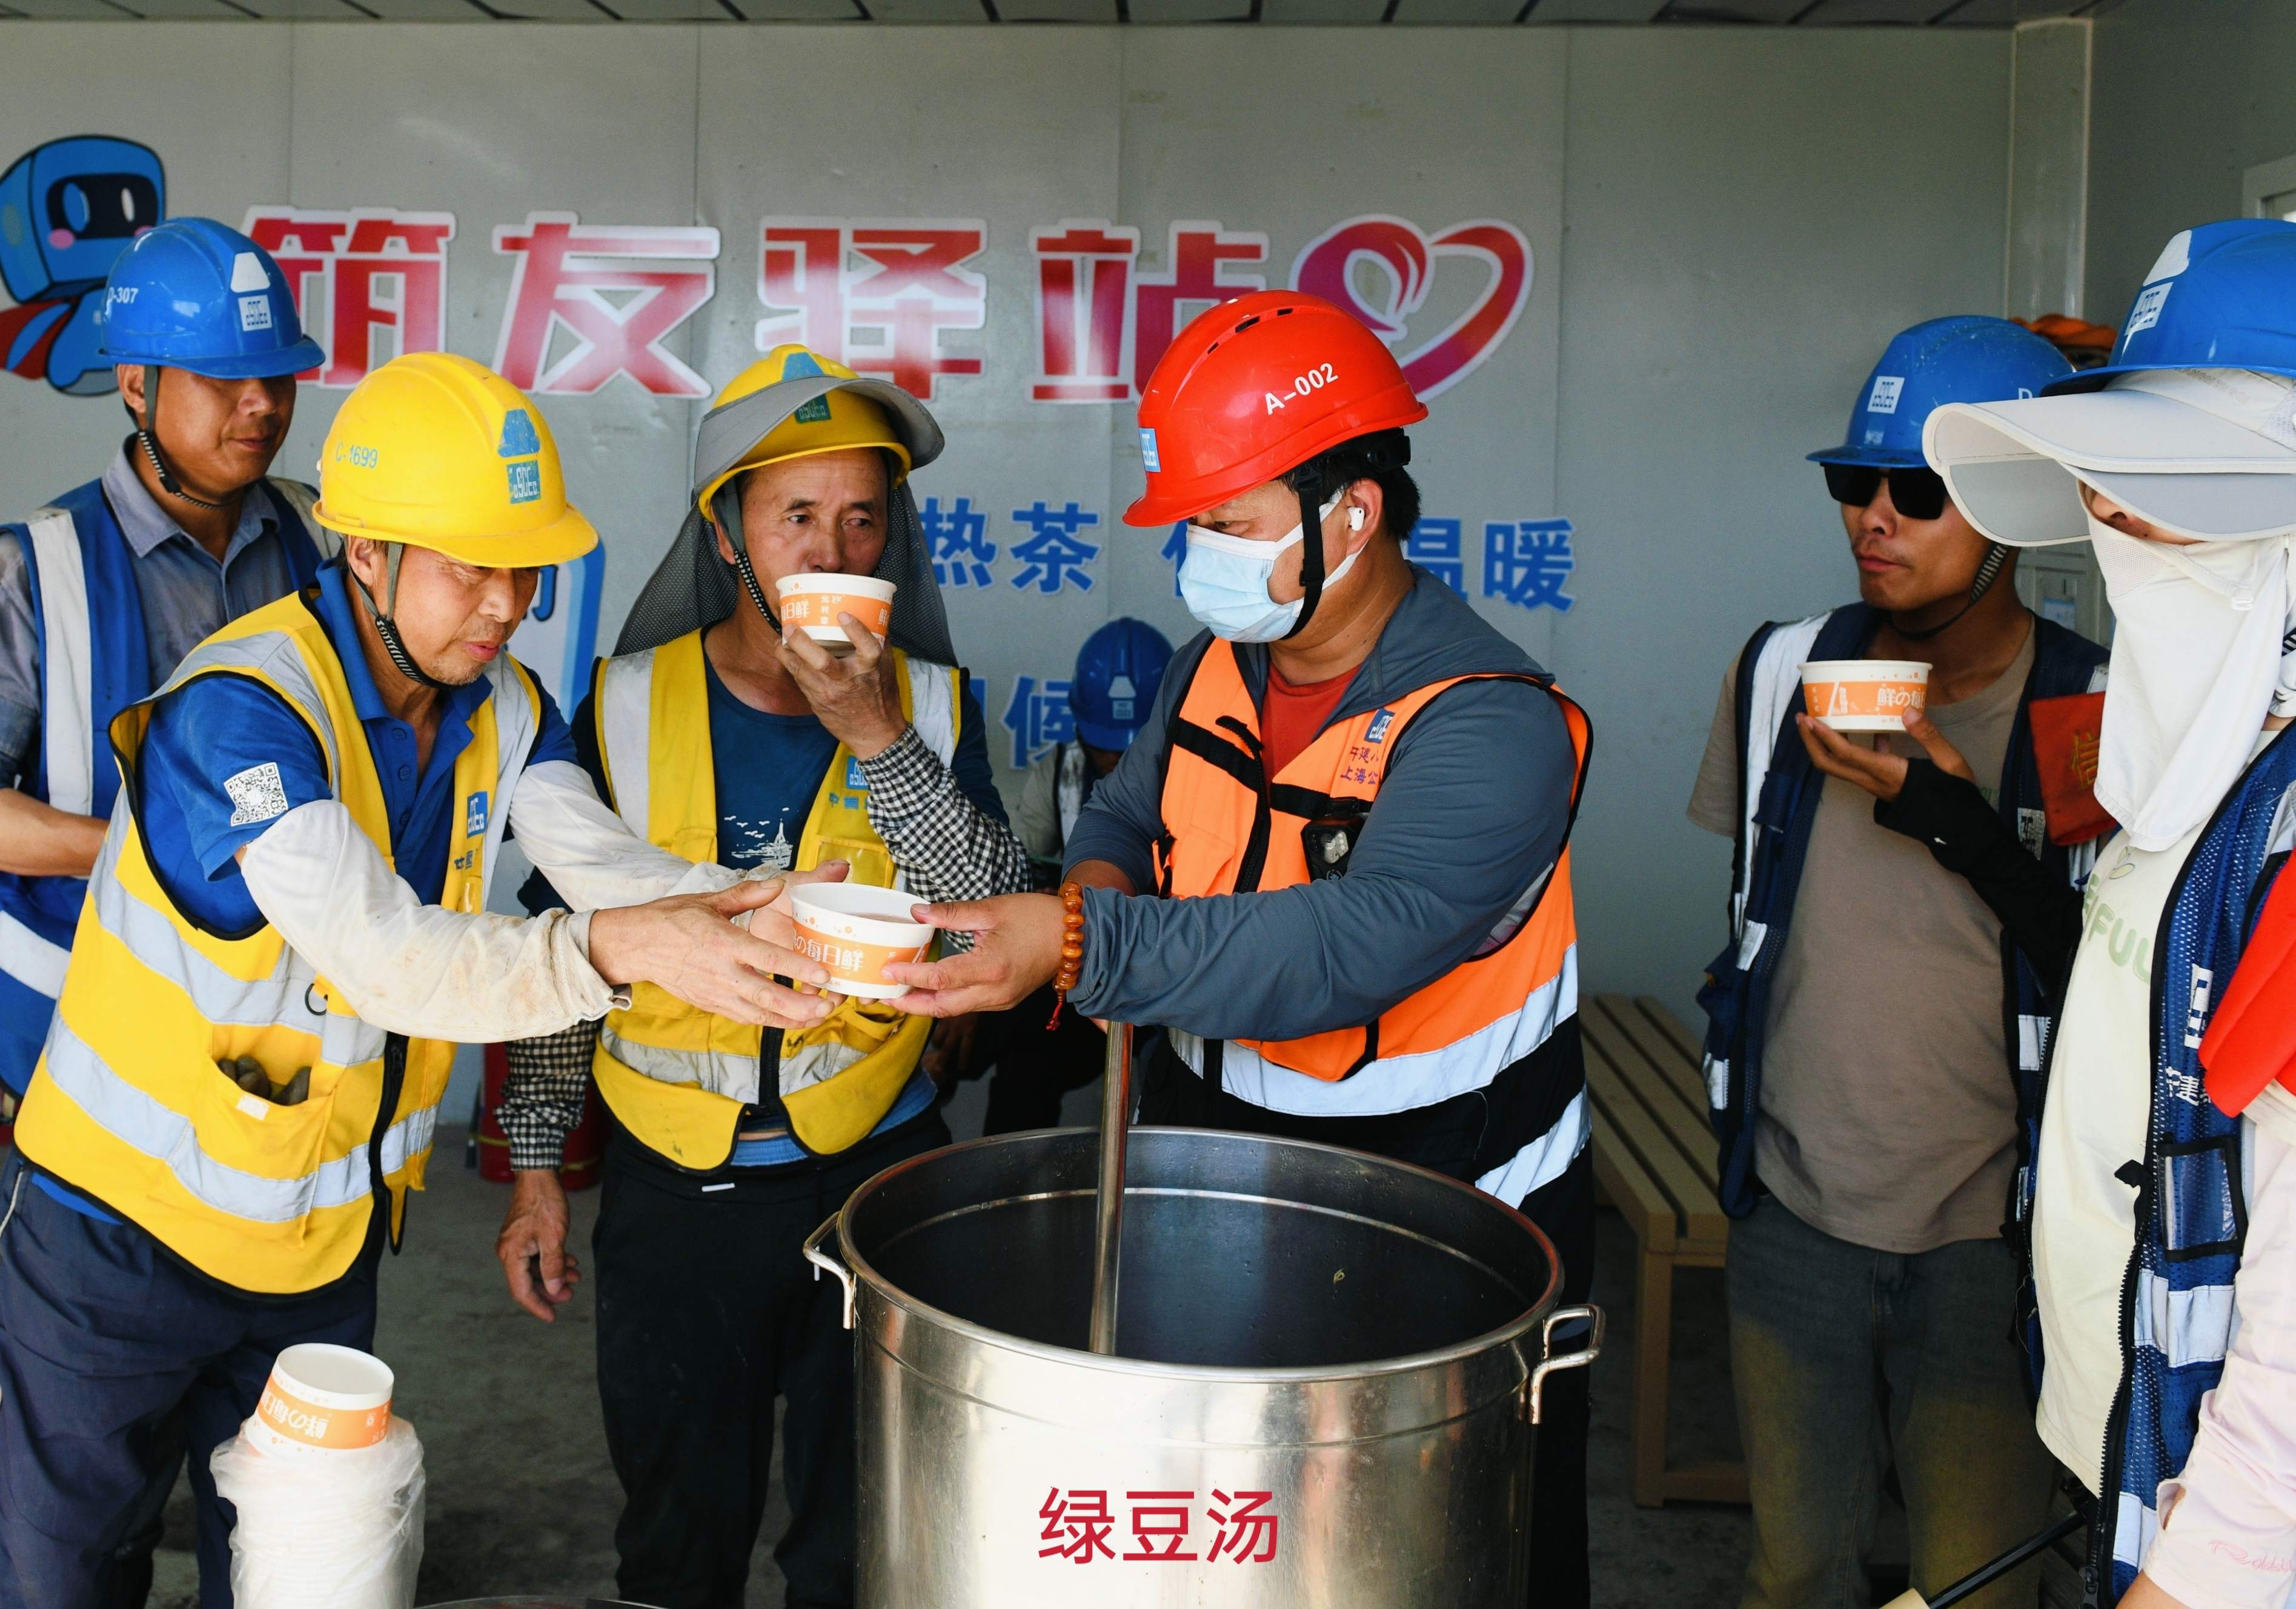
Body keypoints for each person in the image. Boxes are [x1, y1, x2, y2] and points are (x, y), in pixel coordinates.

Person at [0, 351, 842, 1609]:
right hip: (116, 1246)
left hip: (318, 1254)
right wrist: (617, 948)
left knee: (300, 1579)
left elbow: (594, 855)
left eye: (525, 568)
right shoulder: (241, 713)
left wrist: (749, 905)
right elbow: (383, 955)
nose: (505, 606)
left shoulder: (500, 701)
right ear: (366, 554)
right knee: (60, 1579)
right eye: (469, 568)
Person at [870, 290, 1598, 1605]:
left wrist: (1077, 938)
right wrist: (1093, 888)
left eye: (1231, 522)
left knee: (1428, 1550)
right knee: (1230, 1537)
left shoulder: (1491, 724)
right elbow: (1121, 816)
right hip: (1218, 1166)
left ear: (1351, 516)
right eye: (1193, 521)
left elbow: (1349, 945)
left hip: (1445, 1206)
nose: (1197, 554)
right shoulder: (1211, 666)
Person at [1922, 218, 2296, 1608]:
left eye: (2179, 486)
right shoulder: (2232, 736)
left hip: (2261, 1559)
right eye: (2113, 476)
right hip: (2145, 1457)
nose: (2118, 523)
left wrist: (2196, 1572)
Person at [490, 345, 1026, 1609]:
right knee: (678, 1536)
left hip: (874, 1177)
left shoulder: (933, 704)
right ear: (725, 532)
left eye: (863, 519)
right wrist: (536, 1165)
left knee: (863, 1536)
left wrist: (873, 730)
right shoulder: (619, 705)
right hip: (675, 1190)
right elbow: (567, 947)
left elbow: (993, 918)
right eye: (796, 516)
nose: (835, 549)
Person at [1688, 316, 2101, 1609]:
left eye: (1917, 492)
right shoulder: (1779, 673)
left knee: (1975, 1583)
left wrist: (1958, 823)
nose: (1872, 517)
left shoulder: (2094, 710)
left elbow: (2123, 979)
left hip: (1994, 1237)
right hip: (1792, 1208)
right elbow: (1754, 920)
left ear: (2016, 511)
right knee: (1792, 1571)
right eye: (1853, 483)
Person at [0, 219, 333, 1107]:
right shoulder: (34, 570)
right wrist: (154, 856)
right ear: (135, 385)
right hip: (79, 1028)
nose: (262, 404)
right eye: (223, 379)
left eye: (277, 375)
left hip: (277, 1032)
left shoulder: (327, 542)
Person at [972, 615, 1173, 1135]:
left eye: (1133, 749)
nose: (1118, 762)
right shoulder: (1060, 772)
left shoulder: (1201, 777)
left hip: (1169, 976)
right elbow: (1019, 870)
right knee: (1010, 1045)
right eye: (1106, 747)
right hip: (1077, 969)